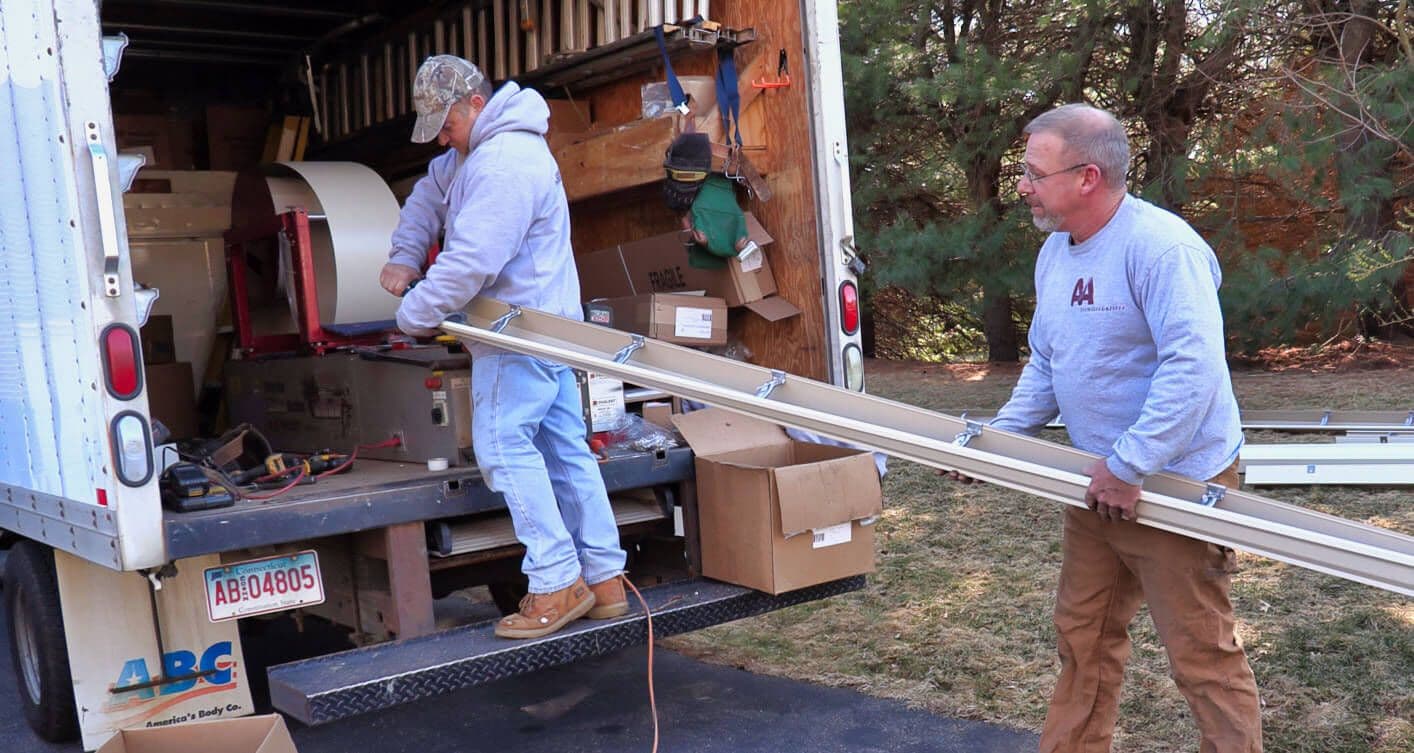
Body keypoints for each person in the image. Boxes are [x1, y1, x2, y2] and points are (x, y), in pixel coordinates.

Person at [980, 103, 1262, 752]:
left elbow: (1191, 371)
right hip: (1100, 481)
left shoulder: (1162, 249)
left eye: (1033, 172)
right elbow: (1050, 361)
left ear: (1086, 177)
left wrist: (1130, 465)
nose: (1021, 185)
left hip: (1176, 481)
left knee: (1202, 658)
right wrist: (996, 438)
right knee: (1083, 637)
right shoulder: (1055, 254)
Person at [381, 54, 628, 639]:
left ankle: (555, 581)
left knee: (501, 445)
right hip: (544, 330)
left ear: (475, 103)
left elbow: (469, 265)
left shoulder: (504, 164)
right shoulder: (471, 155)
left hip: (518, 335)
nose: (442, 138)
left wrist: (413, 313)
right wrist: (403, 254)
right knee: (565, 450)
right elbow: (426, 194)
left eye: (448, 124)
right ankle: (603, 578)